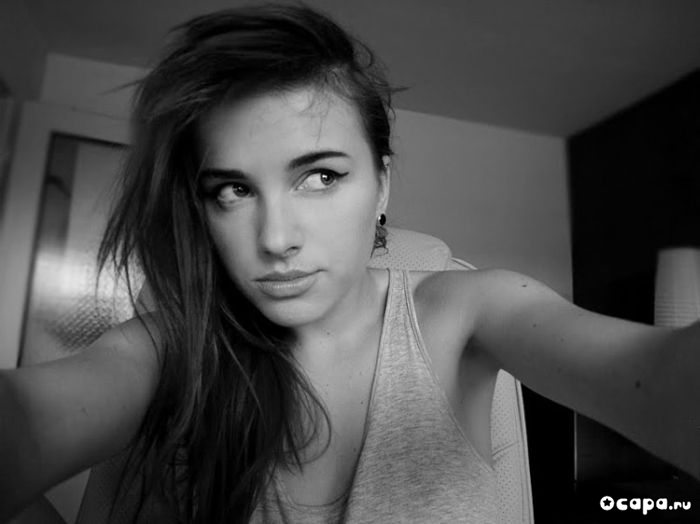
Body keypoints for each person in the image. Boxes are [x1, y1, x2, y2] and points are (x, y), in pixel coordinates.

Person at [1, 4, 699, 523]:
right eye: (233, 190)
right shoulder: (172, 347)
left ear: (382, 183)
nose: (277, 238)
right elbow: (27, 422)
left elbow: (659, 378)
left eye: (320, 176)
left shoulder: (469, 310)